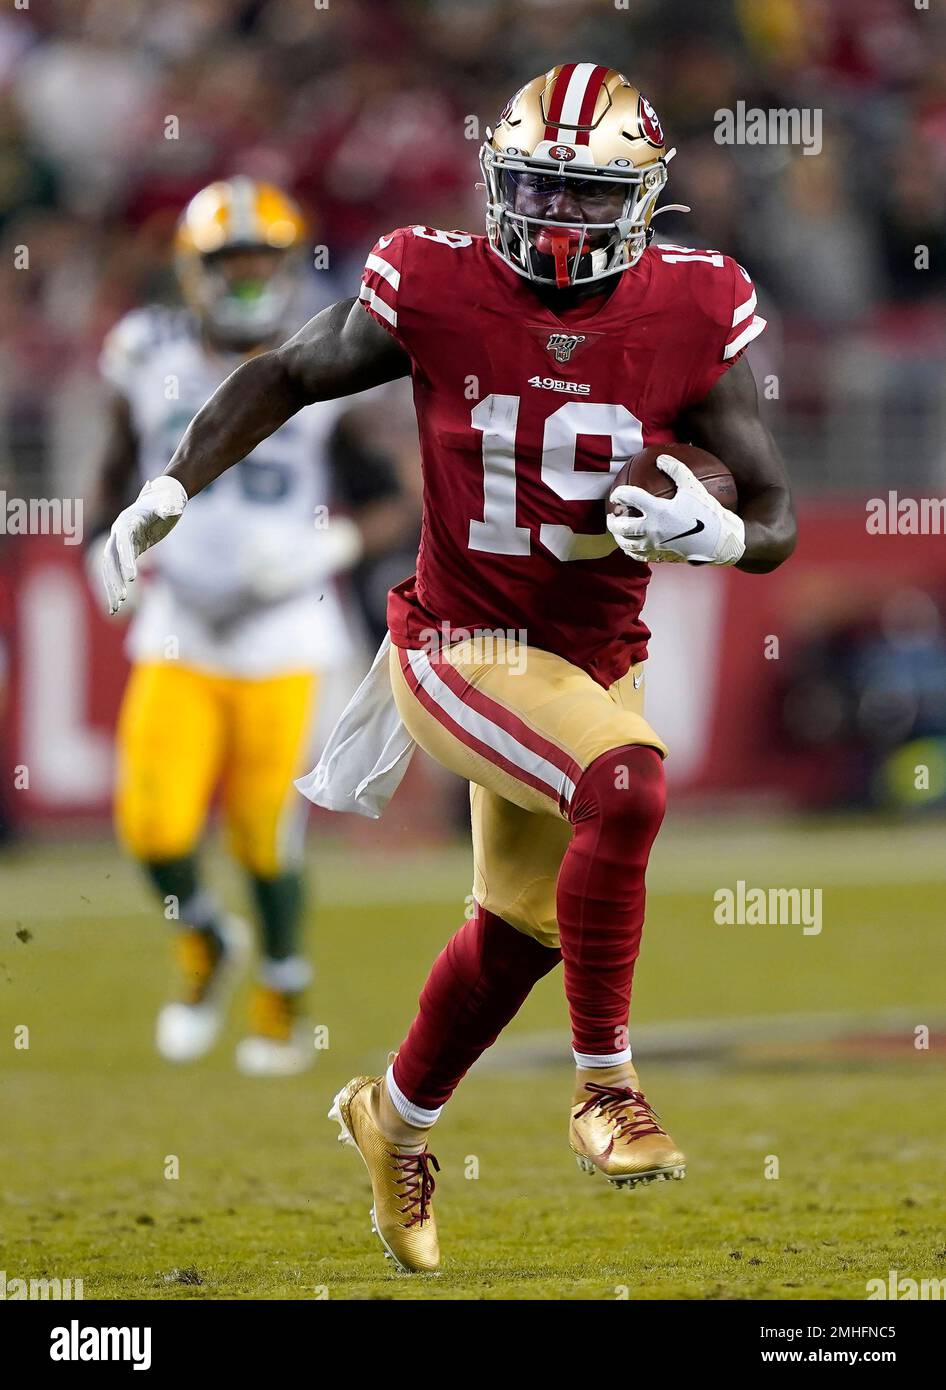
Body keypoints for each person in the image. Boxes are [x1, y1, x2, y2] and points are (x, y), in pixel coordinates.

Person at [102, 67, 796, 1268]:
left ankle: (394, 1120)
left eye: (584, 197)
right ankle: (605, 1087)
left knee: (523, 926)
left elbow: (774, 503)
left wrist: (724, 532)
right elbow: (283, 373)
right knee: (626, 784)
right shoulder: (434, 284)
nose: (556, 222)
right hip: (458, 643)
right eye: (535, 191)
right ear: (496, 185)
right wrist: (170, 485)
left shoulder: (695, 304)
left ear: (639, 200)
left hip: (590, 657)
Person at [92, 177, 407, 1076]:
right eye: (227, 262)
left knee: (266, 836)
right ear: (194, 269)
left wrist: (328, 547)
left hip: (287, 634)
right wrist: (92, 541)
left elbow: (392, 501)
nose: (243, 279)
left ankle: (281, 986)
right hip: (180, 624)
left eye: (258, 262)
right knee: (153, 827)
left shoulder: (318, 353)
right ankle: (205, 944)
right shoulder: (143, 349)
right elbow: (116, 459)